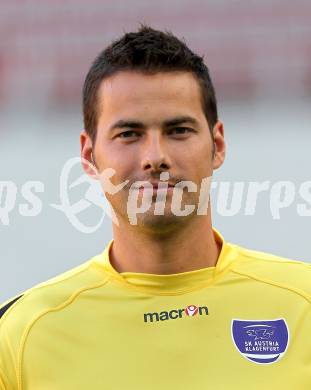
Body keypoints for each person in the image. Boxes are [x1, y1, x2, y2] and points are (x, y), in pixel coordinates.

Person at [1, 25, 310, 390]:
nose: (155, 157)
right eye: (129, 134)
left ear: (218, 145)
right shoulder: (21, 334)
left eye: (178, 130)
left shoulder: (302, 303)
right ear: (89, 156)